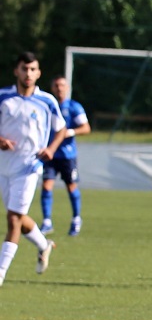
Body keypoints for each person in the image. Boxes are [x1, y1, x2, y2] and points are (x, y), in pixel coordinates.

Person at [0, 52, 66, 287]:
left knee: (13, 218)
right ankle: (43, 245)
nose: (28, 74)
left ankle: (1, 273)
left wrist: (51, 148)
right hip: (4, 166)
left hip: (29, 167)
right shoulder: (3, 97)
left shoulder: (47, 101)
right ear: (16, 71)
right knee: (17, 217)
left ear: (38, 73)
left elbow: (61, 129)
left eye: (32, 70)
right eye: (24, 69)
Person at [40, 75, 91, 237]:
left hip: (68, 156)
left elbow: (86, 128)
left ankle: (76, 218)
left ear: (67, 87)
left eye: (62, 85)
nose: (59, 88)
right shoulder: (47, 106)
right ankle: (47, 221)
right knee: (46, 186)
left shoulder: (74, 107)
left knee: (71, 186)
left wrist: (71, 131)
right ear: (52, 88)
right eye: (56, 85)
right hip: (50, 153)